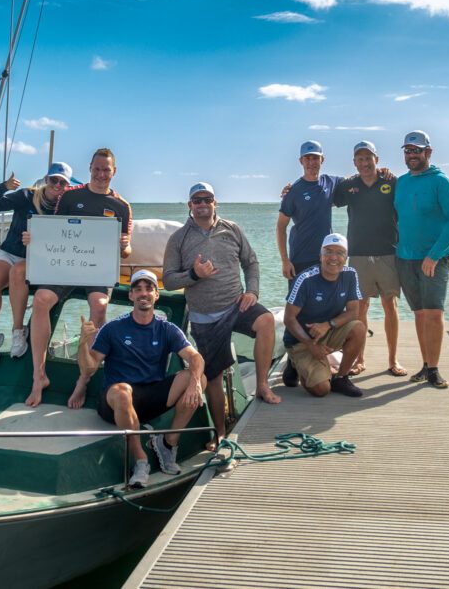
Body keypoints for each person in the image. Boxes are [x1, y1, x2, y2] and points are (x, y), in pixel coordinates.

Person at [163, 182, 280, 449]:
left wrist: (252, 291)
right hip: (205, 316)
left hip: (236, 304)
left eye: (208, 199)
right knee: (213, 377)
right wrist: (194, 275)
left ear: (216, 202)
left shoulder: (232, 229)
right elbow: (168, 280)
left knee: (266, 321)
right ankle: (220, 434)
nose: (202, 204)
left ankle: (262, 385)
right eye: (197, 200)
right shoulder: (178, 238)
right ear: (189, 205)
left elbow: (250, 262)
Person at [78, 270, 206, 488]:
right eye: (138, 289)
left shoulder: (167, 329)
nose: (143, 293)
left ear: (156, 295)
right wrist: (83, 343)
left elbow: (195, 357)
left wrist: (194, 383)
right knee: (122, 391)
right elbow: (89, 368)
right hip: (115, 401)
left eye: (149, 289)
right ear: (131, 296)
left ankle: (167, 443)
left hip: (150, 396)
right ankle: (140, 460)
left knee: (198, 378)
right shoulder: (113, 329)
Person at [26, 148, 133, 408]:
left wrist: (125, 245)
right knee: (41, 300)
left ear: (114, 171)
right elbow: (54, 231)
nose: (100, 174)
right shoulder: (71, 196)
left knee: (99, 306)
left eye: (106, 169)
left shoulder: (121, 206)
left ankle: (83, 379)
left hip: (97, 270)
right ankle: (38, 375)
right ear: (90, 169)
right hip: (65, 266)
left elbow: (126, 254)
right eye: (96, 169)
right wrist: (34, 238)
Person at [0, 161, 72, 365]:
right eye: (54, 180)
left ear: (67, 186)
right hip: (11, 251)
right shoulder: (27, 196)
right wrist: (3, 187)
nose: (57, 185)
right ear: (46, 179)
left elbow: (68, 238)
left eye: (62, 183)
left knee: (17, 273)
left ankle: (18, 330)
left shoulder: (64, 208)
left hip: (37, 258)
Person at [394, 131, 449, 389]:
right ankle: (424, 366)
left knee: (434, 314)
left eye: (417, 150)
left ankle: (434, 369)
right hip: (404, 258)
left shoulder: (442, 182)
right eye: (408, 151)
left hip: (434, 260)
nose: (412, 155)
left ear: (428, 152)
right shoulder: (401, 183)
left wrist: (434, 255)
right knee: (419, 314)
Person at [332, 141, 406, 377]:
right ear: (354, 162)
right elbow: (324, 194)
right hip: (359, 254)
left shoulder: (391, 182)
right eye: (360, 159)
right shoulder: (348, 185)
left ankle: (393, 360)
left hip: (388, 253)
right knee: (361, 306)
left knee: (389, 305)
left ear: (377, 159)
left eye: (368, 158)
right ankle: (359, 359)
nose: (365, 163)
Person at [282, 233, 366, 398]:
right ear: (320, 256)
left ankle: (341, 378)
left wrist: (328, 325)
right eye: (328, 251)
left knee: (359, 328)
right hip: (301, 340)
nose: (333, 257)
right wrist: (310, 345)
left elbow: (353, 312)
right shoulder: (305, 279)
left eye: (340, 252)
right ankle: (295, 363)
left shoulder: (350, 275)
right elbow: (288, 319)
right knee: (321, 390)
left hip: (328, 331)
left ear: (346, 257)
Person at [276, 141, 342, 292]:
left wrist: (380, 171)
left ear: (322, 160)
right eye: (307, 158)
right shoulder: (292, 192)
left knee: (326, 304)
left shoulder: (332, 182)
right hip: (300, 258)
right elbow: (281, 227)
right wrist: (285, 261)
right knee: (299, 308)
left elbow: (356, 181)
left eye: (315, 158)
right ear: (301, 161)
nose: (311, 162)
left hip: (326, 258)